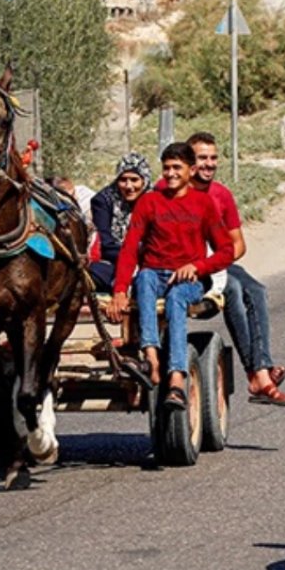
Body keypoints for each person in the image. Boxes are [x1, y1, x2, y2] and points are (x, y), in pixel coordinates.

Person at [107, 143, 235, 408]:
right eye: (166, 168)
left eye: (177, 167)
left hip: (190, 280)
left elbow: (226, 251)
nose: (171, 173)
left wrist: (198, 267)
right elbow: (130, 247)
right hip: (154, 273)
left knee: (176, 298)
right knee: (143, 280)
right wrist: (120, 290)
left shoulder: (204, 204)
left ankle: (176, 377)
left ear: (191, 170)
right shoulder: (149, 201)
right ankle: (151, 357)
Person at [185, 132, 285, 407]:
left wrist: (215, 263)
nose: (209, 164)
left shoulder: (221, 194)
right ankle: (257, 375)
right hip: (185, 264)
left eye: (213, 158)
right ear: (188, 161)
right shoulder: (174, 190)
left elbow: (238, 244)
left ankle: (262, 368)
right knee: (233, 288)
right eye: (202, 159)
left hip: (216, 263)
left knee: (255, 289)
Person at [88, 152, 152, 292]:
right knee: (92, 272)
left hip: (149, 262)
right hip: (115, 260)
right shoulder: (103, 201)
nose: (129, 186)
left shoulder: (155, 200)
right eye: (123, 180)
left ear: (145, 180)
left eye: (134, 180)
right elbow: (105, 243)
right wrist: (129, 260)